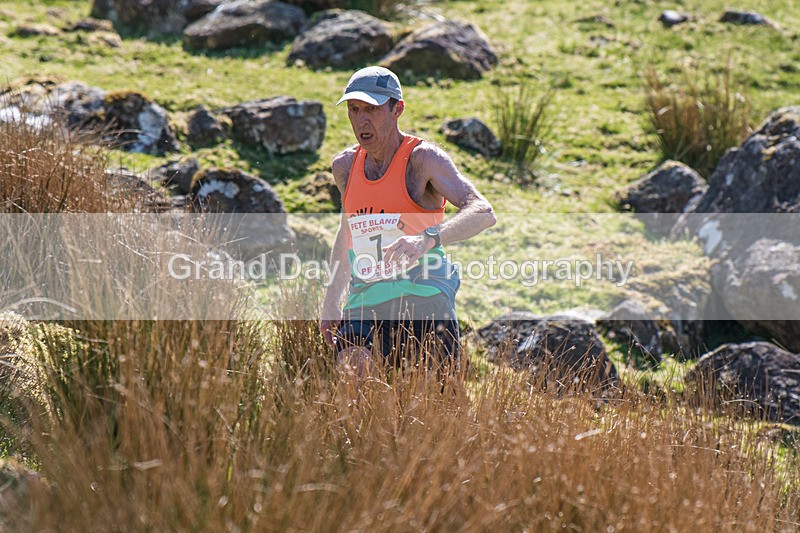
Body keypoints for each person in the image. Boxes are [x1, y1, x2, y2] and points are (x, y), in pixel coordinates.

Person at [319, 66, 496, 374]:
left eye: (372, 109)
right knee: (351, 373)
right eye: (354, 109)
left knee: (433, 395)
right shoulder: (345, 166)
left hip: (424, 295)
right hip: (365, 300)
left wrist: (427, 238)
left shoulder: (423, 159)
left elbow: (482, 211)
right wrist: (332, 297)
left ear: (397, 109)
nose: (361, 120)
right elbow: (347, 230)